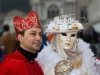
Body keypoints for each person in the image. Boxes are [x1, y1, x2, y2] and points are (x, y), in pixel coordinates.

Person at [0, 11, 44, 75]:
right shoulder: (13, 66)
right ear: (20, 38)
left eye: (40, 34)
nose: (39, 38)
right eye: (33, 34)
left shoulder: (35, 64)